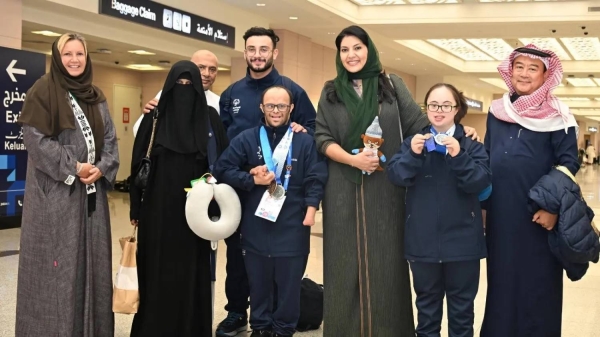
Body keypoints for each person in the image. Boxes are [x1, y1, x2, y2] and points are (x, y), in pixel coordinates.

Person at [314, 25, 479, 337]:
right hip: (341, 188)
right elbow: (321, 136)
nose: (351, 55)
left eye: (357, 48)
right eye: (345, 49)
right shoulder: (331, 91)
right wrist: (353, 159)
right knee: (342, 264)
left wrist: (460, 130)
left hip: (385, 189)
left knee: (386, 264)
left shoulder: (391, 85)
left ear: (370, 50)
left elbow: (420, 125)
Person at [15, 32, 120, 337]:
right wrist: (74, 166)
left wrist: (101, 168)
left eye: (80, 54)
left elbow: (111, 141)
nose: (74, 60)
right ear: (57, 58)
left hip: (92, 201)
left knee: (95, 268)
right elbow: (35, 140)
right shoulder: (43, 91)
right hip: (56, 199)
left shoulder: (95, 96)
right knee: (55, 271)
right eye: (67, 54)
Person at [216, 27, 316, 337]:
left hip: (283, 187)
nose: (257, 55)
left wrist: (299, 131)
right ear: (244, 52)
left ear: (274, 52)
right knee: (241, 257)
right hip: (243, 188)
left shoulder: (292, 90)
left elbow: (311, 132)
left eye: (264, 49)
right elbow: (222, 144)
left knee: (282, 265)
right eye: (252, 49)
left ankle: (280, 322)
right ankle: (237, 312)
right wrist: (247, 177)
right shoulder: (231, 93)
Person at [481, 44, 579, 337]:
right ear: (510, 71)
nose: (524, 74)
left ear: (546, 75)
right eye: (519, 67)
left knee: (538, 286)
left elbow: (568, 164)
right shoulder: (497, 111)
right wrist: (483, 209)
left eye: (532, 68)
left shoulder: (558, 116)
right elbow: (487, 157)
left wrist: (551, 209)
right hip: (500, 217)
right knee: (501, 284)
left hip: (538, 219)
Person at [129, 60, 229, 337]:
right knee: (156, 273)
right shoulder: (155, 116)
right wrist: (135, 208)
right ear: (169, 87)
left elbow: (220, 162)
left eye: (189, 85)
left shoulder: (210, 118)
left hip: (194, 216)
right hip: (156, 213)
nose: (184, 90)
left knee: (191, 275)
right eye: (179, 85)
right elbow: (138, 164)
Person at [387, 83, 491, 337]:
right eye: (433, 105)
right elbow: (396, 176)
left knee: (462, 314)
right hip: (423, 243)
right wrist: (413, 155)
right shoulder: (414, 142)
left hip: (463, 245)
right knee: (427, 313)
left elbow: (481, 182)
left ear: (457, 109)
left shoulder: (472, 145)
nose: (439, 110)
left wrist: (459, 157)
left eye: (446, 105)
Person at [134, 49, 221, 136]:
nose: (207, 74)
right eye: (201, 67)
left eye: (212, 69)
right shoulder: (168, 94)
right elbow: (138, 132)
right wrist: (148, 117)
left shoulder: (219, 102)